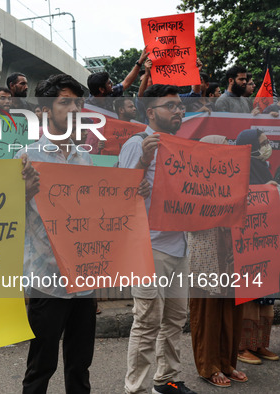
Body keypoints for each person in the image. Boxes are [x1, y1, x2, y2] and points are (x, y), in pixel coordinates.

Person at [16, 74, 97, 394]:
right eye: (66, 102)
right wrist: (22, 193)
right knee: (41, 365)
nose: (75, 108)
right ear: (46, 111)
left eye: (78, 102)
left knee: (80, 364)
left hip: (84, 277)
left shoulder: (85, 158)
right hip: (46, 278)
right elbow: (5, 217)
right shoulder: (26, 157)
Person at [119, 84, 197, 394]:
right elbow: (120, 194)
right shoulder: (136, 145)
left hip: (178, 246)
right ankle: (135, 388)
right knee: (148, 321)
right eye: (170, 105)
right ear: (151, 112)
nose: (179, 110)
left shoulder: (181, 147)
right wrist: (142, 165)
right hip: (148, 248)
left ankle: (167, 380)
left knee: (175, 319)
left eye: (180, 106)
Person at [188, 136, 248, 388]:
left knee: (230, 312)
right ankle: (208, 366)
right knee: (207, 313)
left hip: (231, 255)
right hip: (206, 255)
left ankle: (227, 362)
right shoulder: (191, 182)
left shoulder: (234, 179)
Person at [235, 129, 279, 365]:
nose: (266, 146)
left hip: (266, 244)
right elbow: (238, 200)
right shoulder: (240, 171)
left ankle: (259, 344)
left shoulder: (262, 168)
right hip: (249, 247)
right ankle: (242, 347)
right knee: (250, 297)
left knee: (266, 297)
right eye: (262, 143)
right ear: (249, 147)